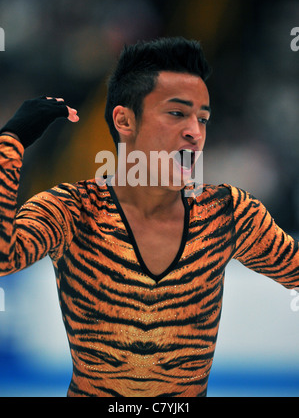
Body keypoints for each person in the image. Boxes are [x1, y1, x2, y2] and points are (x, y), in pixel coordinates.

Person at [0, 37, 298, 398]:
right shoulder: (71, 210)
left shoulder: (229, 213)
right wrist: (11, 142)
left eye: (202, 118)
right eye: (177, 113)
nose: (196, 132)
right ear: (124, 120)